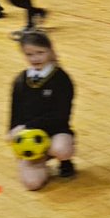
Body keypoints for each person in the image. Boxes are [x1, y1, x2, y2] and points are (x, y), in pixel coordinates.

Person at [9, 31, 76, 189]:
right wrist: (13, 130)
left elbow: (61, 115)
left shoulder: (61, 79)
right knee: (32, 184)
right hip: (29, 137)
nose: (35, 58)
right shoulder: (20, 80)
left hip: (55, 131)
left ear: (50, 51)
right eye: (30, 54)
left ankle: (64, 161)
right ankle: (40, 162)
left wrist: (28, 127)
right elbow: (15, 109)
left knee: (61, 149)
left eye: (40, 52)